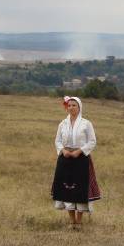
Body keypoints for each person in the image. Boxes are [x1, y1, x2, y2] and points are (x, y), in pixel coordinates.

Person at [52, 96, 101, 229]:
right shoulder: (62, 124)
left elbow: (92, 141)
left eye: (74, 105)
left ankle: (79, 221)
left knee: (79, 189)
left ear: (79, 107)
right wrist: (63, 150)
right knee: (66, 189)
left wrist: (79, 151)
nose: (71, 108)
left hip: (81, 160)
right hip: (65, 159)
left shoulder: (86, 123)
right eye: (70, 105)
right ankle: (71, 220)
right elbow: (57, 141)